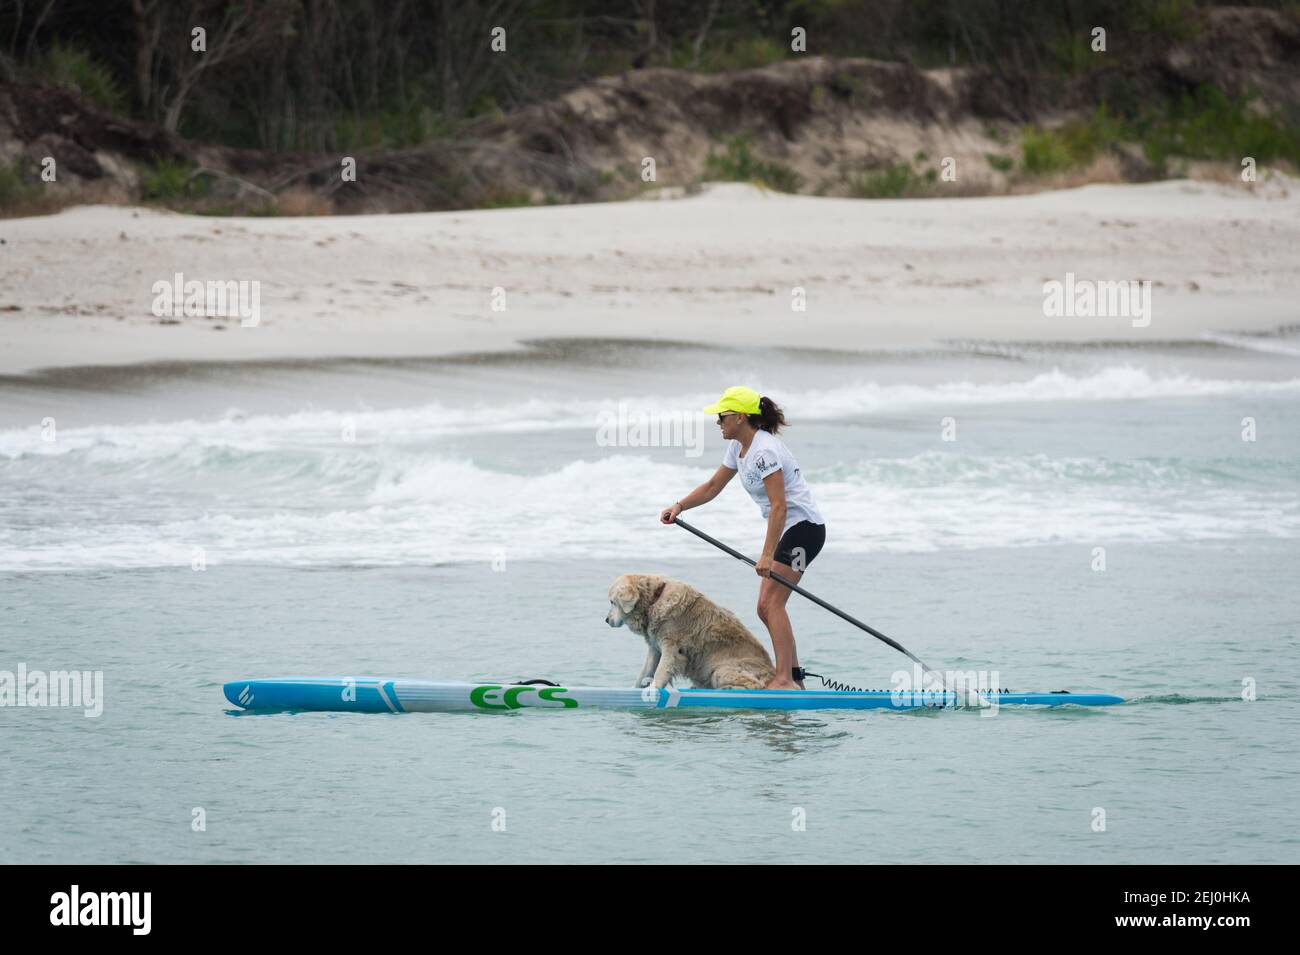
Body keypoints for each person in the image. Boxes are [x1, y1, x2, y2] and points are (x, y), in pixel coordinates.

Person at [660, 386, 826, 690]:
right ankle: (795, 679)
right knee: (765, 607)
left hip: (804, 531)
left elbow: (780, 506)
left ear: (740, 416)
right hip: (787, 531)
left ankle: (785, 679)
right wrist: (679, 506)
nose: (718, 422)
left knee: (771, 604)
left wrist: (766, 554)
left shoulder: (764, 451)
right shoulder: (738, 449)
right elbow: (712, 486)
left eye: (722, 416)